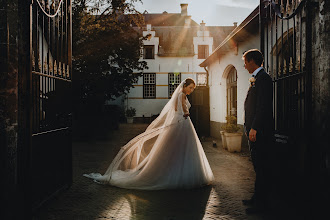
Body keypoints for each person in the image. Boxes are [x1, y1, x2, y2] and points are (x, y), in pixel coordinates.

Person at [84, 78, 214, 190]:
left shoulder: (179, 95)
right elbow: (183, 109)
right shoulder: (182, 95)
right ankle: (182, 174)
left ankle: (174, 171)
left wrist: (182, 114)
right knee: (184, 148)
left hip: (180, 122)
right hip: (183, 122)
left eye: (192, 89)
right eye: (190, 88)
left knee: (177, 148)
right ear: (185, 86)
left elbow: (175, 109)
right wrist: (186, 113)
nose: (191, 90)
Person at [242, 49, 274, 214]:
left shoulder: (264, 79)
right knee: (257, 167)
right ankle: (257, 198)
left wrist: (254, 127)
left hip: (260, 132)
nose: (244, 65)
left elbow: (263, 106)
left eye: (245, 61)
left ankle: (262, 206)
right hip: (255, 131)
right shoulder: (257, 78)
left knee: (262, 168)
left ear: (252, 60)